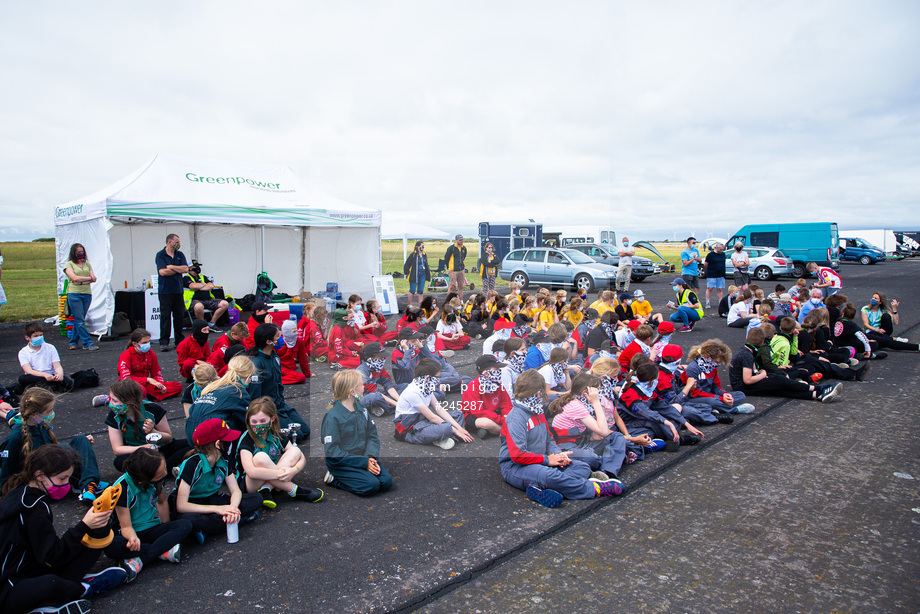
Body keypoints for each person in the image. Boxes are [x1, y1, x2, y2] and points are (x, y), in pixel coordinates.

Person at [0, 445, 127, 614]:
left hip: (31, 570)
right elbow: (51, 558)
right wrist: (84, 525)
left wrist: (92, 525)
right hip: (9, 589)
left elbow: (45, 553)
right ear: (39, 476)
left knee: (99, 533)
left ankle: (62, 595)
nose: (66, 485)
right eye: (62, 479)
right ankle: (83, 589)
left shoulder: (21, 492)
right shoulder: (34, 508)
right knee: (51, 583)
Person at [498, 369, 624, 508]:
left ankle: (539, 489)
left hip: (540, 460)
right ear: (539, 393)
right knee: (549, 475)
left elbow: (549, 439)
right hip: (515, 466)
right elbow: (517, 455)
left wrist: (558, 455)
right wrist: (548, 460)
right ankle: (594, 489)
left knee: (582, 467)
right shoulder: (516, 418)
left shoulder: (536, 411)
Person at [105, 447, 193, 582]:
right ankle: (162, 550)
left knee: (185, 524)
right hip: (131, 533)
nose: (165, 473)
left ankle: (140, 560)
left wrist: (166, 527)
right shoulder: (121, 489)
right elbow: (126, 526)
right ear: (143, 481)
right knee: (110, 546)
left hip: (151, 528)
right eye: (160, 473)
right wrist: (133, 539)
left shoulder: (157, 481)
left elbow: (162, 502)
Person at [0, 388, 103, 502]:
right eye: (48, 411)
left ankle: (89, 486)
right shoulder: (16, 437)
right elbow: (5, 470)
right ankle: (85, 483)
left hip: (53, 469)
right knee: (68, 448)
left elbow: (51, 450)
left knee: (81, 440)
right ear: (34, 414)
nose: (51, 414)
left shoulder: (40, 426)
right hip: (44, 479)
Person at [173, 418, 263, 537]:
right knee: (189, 520)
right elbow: (181, 506)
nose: (230, 443)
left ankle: (211, 527)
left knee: (256, 498)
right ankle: (239, 521)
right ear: (218, 444)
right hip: (193, 505)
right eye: (227, 440)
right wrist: (217, 509)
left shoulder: (223, 460)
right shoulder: (192, 465)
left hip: (213, 500)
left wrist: (232, 508)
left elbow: (235, 490)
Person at [237, 397, 321, 508]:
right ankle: (294, 489)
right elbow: (251, 472)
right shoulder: (246, 439)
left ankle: (266, 489)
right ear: (248, 421)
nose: (258, 425)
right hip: (251, 484)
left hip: (270, 476)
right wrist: (281, 474)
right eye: (254, 421)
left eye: (263, 421)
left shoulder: (275, 435)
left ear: (272, 419)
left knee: (295, 450)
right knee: (260, 458)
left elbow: (301, 457)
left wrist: (292, 471)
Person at [547, 372, 628, 486]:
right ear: (585, 393)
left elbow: (602, 430)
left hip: (582, 442)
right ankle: (606, 464)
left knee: (617, 437)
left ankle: (607, 472)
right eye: (597, 391)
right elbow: (604, 431)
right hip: (566, 447)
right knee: (592, 459)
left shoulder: (583, 403)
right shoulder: (576, 405)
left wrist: (591, 435)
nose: (599, 394)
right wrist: (596, 402)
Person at [322, 370, 394, 496]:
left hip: (364, 457)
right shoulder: (332, 417)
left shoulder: (361, 408)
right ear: (352, 391)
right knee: (371, 486)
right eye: (361, 385)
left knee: (386, 482)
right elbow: (332, 451)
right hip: (343, 463)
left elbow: (372, 435)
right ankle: (334, 479)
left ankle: (364, 470)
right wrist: (363, 463)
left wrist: (371, 457)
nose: (364, 387)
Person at [728, 328, 842, 402]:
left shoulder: (747, 350)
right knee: (780, 381)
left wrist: (761, 373)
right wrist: (763, 374)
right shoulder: (746, 354)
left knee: (779, 389)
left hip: (744, 384)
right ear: (762, 342)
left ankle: (816, 394)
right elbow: (747, 380)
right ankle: (819, 388)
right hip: (743, 386)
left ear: (747, 338)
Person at [105, 379, 191, 472]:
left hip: (160, 449)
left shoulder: (152, 409)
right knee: (120, 462)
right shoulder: (114, 415)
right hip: (137, 453)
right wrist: (144, 448)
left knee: (191, 443)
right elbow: (117, 449)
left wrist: (153, 432)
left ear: (129, 402)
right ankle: (164, 469)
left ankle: (154, 470)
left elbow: (168, 438)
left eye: (114, 401)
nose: (111, 404)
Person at [393, 358, 473, 449]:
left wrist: (459, 428)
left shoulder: (426, 387)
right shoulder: (412, 392)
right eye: (437, 377)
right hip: (410, 429)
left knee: (458, 414)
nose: (438, 380)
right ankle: (449, 436)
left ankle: (445, 438)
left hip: (424, 422)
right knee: (447, 428)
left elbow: (438, 409)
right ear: (427, 378)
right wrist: (454, 429)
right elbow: (432, 417)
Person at [247, 323, 310, 433]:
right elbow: (255, 397)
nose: (281, 339)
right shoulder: (256, 363)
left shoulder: (274, 356)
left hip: (280, 405)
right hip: (268, 409)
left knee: (304, 430)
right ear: (268, 341)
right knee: (295, 435)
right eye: (278, 336)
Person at [185, 355, 255, 440]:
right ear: (249, 376)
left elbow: (192, 410)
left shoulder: (215, 385)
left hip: (191, 431)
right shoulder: (238, 391)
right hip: (210, 434)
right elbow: (248, 421)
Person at [678, 340, 754, 416]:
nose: (717, 364)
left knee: (740, 395)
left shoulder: (712, 367)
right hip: (694, 398)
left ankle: (717, 409)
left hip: (710, 395)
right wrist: (720, 398)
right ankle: (734, 410)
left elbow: (716, 386)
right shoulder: (693, 369)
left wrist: (724, 394)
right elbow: (696, 393)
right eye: (717, 362)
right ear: (708, 358)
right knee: (714, 402)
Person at [117, 329, 182, 402]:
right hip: (131, 386)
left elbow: (156, 372)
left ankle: (144, 397)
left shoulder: (150, 353)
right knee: (140, 390)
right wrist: (147, 379)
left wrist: (159, 384)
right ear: (135, 344)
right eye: (144, 342)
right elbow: (125, 378)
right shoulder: (126, 355)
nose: (147, 345)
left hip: (147, 385)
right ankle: (144, 396)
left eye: (148, 342)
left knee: (177, 386)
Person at [460, 355, 513, 439]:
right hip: (473, 416)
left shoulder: (498, 384)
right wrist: (501, 420)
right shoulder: (473, 386)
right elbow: (477, 412)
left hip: (491, 413)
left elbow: (506, 404)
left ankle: (490, 431)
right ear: (486, 373)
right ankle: (510, 431)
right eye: (496, 370)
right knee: (486, 423)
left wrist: (507, 416)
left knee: (515, 415)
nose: (499, 371)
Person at [155, 233, 189, 351]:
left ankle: (179, 340)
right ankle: (164, 341)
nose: (178, 244)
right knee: (165, 317)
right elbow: (163, 272)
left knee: (179, 316)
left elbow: (185, 269)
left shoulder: (180, 255)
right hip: (165, 291)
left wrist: (171, 267)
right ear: (169, 242)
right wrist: (177, 269)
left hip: (178, 290)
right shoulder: (160, 255)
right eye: (176, 242)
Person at [17, 322, 73, 393]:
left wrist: (59, 374)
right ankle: (50, 385)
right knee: (22, 379)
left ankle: (45, 386)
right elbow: (28, 371)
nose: (39, 338)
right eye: (36, 336)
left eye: (41, 335)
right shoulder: (23, 352)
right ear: (27, 337)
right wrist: (44, 375)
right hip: (36, 376)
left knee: (68, 381)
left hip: (52, 375)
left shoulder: (50, 347)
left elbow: (57, 366)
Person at [63, 242, 99, 351]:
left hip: (86, 293)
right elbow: (74, 278)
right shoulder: (69, 264)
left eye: (82, 252)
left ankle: (73, 342)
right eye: (78, 252)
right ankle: (87, 342)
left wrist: (82, 279)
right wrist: (88, 279)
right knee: (80, 320)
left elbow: (94, 278)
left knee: (79, 319)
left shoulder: (87, 264)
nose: (80, 254)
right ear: (74, 253)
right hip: (74, 293)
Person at [357, 342, 404, 417]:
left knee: (405, 386)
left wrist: (400, 401)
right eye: (380, 357)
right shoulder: (362, 371)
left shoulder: (378, 368)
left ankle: (384, 408)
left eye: (384, 357)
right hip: (364, 398)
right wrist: (398, 404)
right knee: (375, 397)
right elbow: (374, 392)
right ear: (369, 358)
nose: (383, 359)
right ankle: (392, 407)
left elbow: (388, 385)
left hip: (378, 394)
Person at [183, 262, 230, 333]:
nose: (198, 268)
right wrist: (204, 285)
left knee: (224, 304)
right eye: (196, 266)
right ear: (190, 268)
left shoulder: (203, 277)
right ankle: (203, 325)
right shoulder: (186, 278)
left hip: (208, 299)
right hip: (194, 300)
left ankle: (211, 324)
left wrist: (199, 287)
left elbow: (211, 285)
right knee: (198, 306)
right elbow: (193, 286)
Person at [277, 320, 313, 384]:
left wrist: (307, 373)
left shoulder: (299, 341)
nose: (296, 333)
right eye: (293, 331)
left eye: (296, 331)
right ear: (286, 332)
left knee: (301, 377)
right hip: (279, 369)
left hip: (290, 370)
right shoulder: (278, 342)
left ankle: (275, 380)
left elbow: (303, 359)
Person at [404, 241, 430, 308]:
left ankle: (420, 306)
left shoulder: (424, 254)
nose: (422, 247)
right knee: (412, 290)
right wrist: (407, 272)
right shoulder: (413, 255)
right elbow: (407, 264)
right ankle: (410, 305)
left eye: (423, 246)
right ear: (417, 246)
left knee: (420, 291)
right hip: (415, 274)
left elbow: (425, 263)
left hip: (422, 274)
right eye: (421, 246)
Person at [444, 234, 470, 299]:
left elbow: (463, 257)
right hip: (453, 270)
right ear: (456, 240)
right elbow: (446, 258)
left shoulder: (464, 248)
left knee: (461, 286)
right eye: (460, 240)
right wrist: (449, 267)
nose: (461, 241)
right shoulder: (451, 248)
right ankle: (448, 300)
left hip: (461, 269)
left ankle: (460, 300)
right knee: (452, 286)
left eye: (462, 240)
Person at [704, 242, 726, 309]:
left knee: (720, 289)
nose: (722, 251)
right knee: (710, 288)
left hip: (721, 275)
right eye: (720, 249)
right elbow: (706, 264)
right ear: (717, 248)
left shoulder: (723, 254)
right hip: (712, 274)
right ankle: (707, 303)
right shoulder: (710, 255)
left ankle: (720, 303)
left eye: (722, 249)